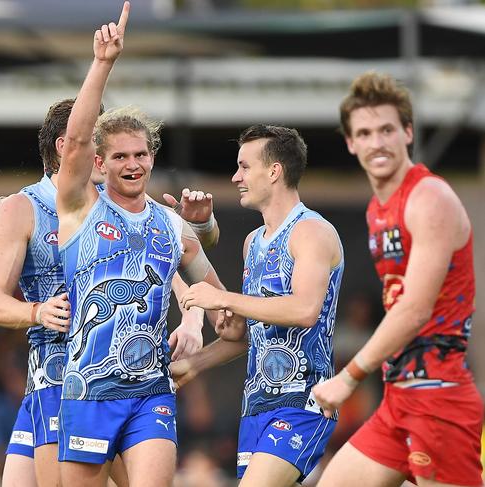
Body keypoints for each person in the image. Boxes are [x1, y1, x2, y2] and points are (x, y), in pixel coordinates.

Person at [0, 92, 218, 487]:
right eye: (103, 146)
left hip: (111, 378)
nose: (116, 159)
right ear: (70, 146)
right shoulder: (26, 206)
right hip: (51, 378)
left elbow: (176, 260)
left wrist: (194, 316)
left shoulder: (117, 202)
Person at [55, 4, 226, 486]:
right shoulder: (80, 209)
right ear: (100, 163)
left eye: (141, 154)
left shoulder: (172, 226)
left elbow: (221, 305)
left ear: (152, 158)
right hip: (87, 392)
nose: (132, 164)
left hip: (150, 391)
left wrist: (197, 323)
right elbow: (76, 139)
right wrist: (103, 63)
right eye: (120, 156)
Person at [313, 71, 483, 487]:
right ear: (351, 143)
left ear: (407, 133)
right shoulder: (378, 208)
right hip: (399, 397)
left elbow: (415, 308)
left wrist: (348, 377)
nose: (377, 142)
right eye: (365, 133)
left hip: (437, 397)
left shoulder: (428, 198)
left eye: (387, 129)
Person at [172, 125, 344, 487]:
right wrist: (192, 365)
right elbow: (250, 334)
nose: (236, 177)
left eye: (244, 167)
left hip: (303, 405)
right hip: (255, 408)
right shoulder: (253, 242)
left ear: (275, 171)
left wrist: (222, 298)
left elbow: (304, 310)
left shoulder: (312, 231)